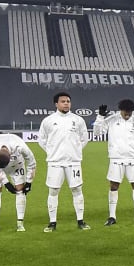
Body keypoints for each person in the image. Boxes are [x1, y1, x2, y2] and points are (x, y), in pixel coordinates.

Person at [39, 91, 91, 231]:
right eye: (63, 101)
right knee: (53, 191)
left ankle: (80, 221)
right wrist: (52, 153)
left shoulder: (78, 120)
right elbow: (42, 140)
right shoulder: (48, 121)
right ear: (56, 104)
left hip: (73, 162)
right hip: (55, 163)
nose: (66, 103)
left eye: (68, 101)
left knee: (77, 189)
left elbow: (84, 139)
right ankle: (52, 223)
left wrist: (75, 152)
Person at [95, 99, 134, 225]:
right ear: (121, 110)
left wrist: (133, 149)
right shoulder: (112, 119)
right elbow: (97, 132)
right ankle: (112, 216)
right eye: (125, 113)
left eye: (130, 113)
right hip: (116, 159)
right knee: (114, 186)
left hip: (133, 159)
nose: (128, 115)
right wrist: (100, 117)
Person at [0, 132, 36, 232]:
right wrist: (6, 183)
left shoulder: (20, 147)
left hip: (17, 165)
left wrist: (29, 181)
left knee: (20, 189)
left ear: (10, 155)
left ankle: (20, 223)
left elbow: (32, 163)